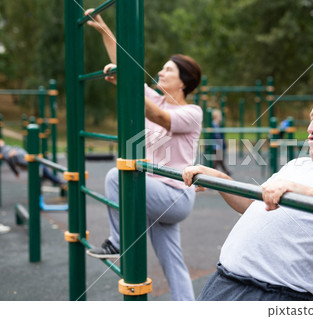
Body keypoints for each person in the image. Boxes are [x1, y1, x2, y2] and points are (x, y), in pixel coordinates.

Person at [182, 86, 313, 301]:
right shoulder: (298, 164)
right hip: (223, 282)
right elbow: (255, 205)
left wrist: (308, 194)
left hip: (272, 294)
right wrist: (221, 180)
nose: (312, 127)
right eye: (312, 118)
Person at [84, 9, 203, 301]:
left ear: (183, 82)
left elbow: (159, 117)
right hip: (155, 191)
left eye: (167, 71)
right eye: (161, 69)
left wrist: (128, 86)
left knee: (117, 176)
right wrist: (104, 31)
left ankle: (118, 241)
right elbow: (124, 67)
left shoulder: (191, 112)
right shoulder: (155, 96)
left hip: (175, 196)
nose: (160, 73)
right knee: (172, 261)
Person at [0, 140, 67, 189]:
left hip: (30, 161)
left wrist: (15, 172)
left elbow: (11, 156)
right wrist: (15, 171)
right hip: (29, 162)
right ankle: (60, 183)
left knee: (44, 174)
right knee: (44, 174)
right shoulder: (5, 151)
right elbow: (10, 157)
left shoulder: (5, 150)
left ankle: (61, 183)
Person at [211, 109, 231, 175]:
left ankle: (226, 171)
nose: (220, 117)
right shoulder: (214, 125)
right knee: (218, 160)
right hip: (216, 145)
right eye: (219, 116)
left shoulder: (216, 125)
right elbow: (217, 136)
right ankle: (214, 172)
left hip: (217, 145)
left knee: (219, 160)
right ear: (216, 116)